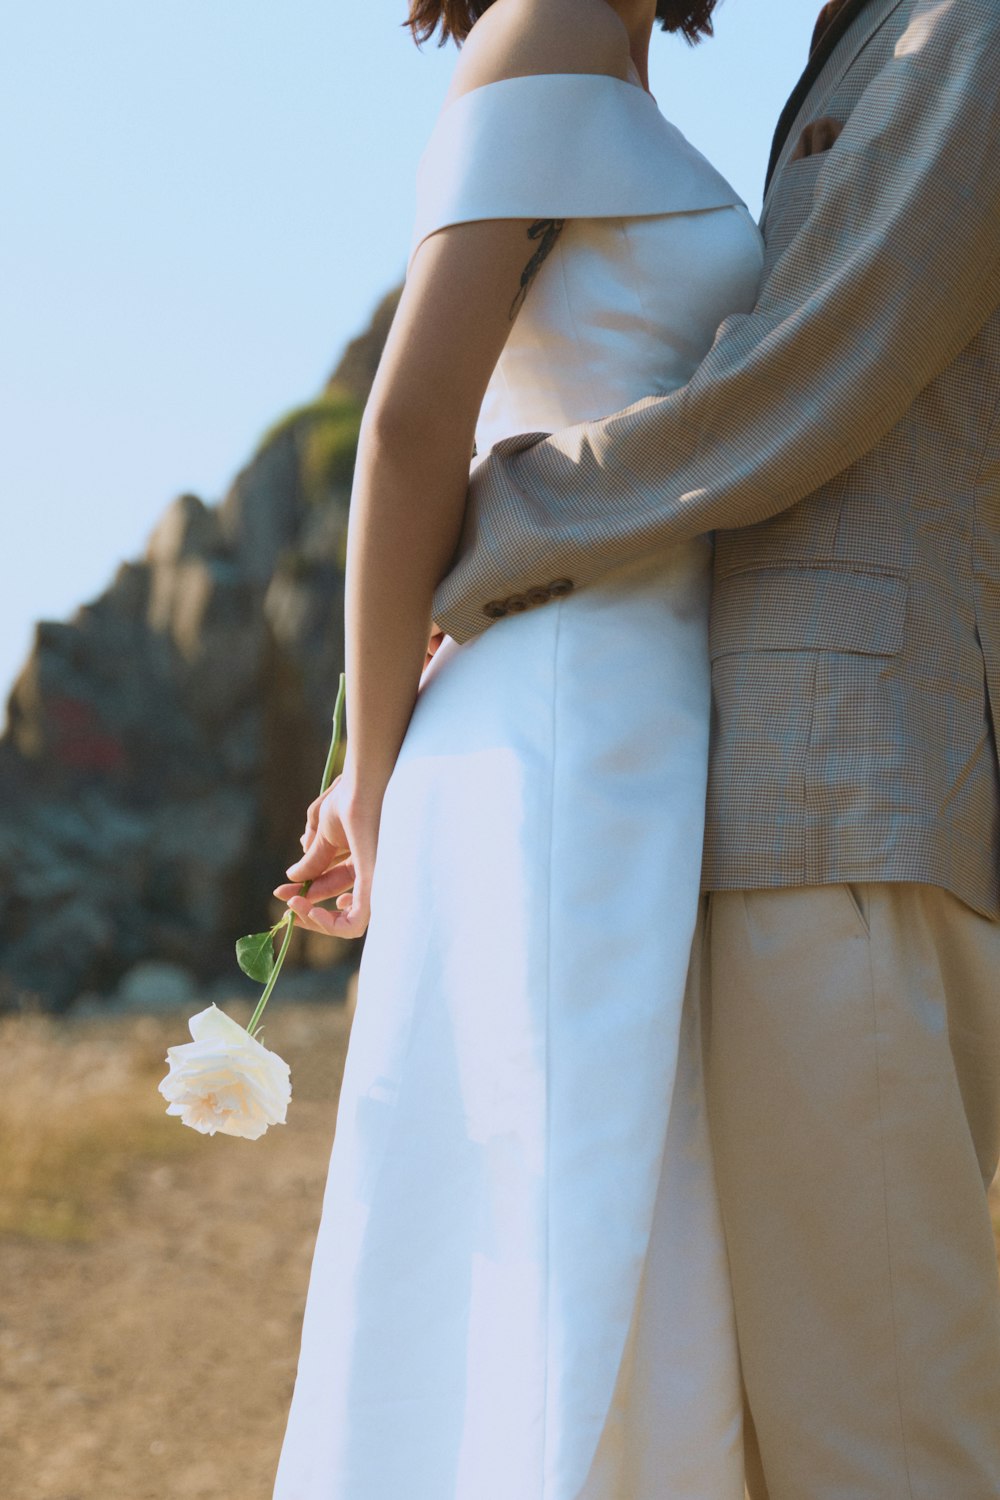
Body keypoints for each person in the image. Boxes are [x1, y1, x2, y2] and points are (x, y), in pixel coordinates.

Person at [414, 0, 1000, 1496]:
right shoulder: (863, 34)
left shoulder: (960, 27)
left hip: (846, 787)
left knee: (874, 1440)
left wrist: (494, 530)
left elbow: (827, 352)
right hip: (741, 790)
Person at [270, 1, 765, 1496]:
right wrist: (373, 773)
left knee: (629, 1236)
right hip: (567, 730)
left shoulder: (614, 61)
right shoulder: (544, 26)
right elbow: (414, 426)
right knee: (566, 1243)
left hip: (640, 715)